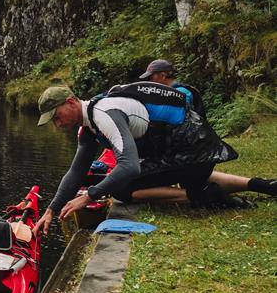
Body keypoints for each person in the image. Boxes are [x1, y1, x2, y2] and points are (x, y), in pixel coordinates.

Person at [35, 84, 261, 235]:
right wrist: (51, 210)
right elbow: (75, 174)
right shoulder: (88, 129)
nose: (58, 124)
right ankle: (261, 185)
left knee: (122, 188)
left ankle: (204, 197)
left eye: (57, 116)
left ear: (71, 101)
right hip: (195, 151)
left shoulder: (103, 113)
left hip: (194, 150)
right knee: (134, 179)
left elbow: (129, 166)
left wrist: (90, 196)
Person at [123, 60, 275, 205]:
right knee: (198, 180)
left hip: (188, 152)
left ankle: (211, 198)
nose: (149, 82)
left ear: (162, 75)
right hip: (199, 152)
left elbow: (173, 123)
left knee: (127, 187)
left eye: (151, 77)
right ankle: (264, 185)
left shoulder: (178, 94)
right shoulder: (178, 92)